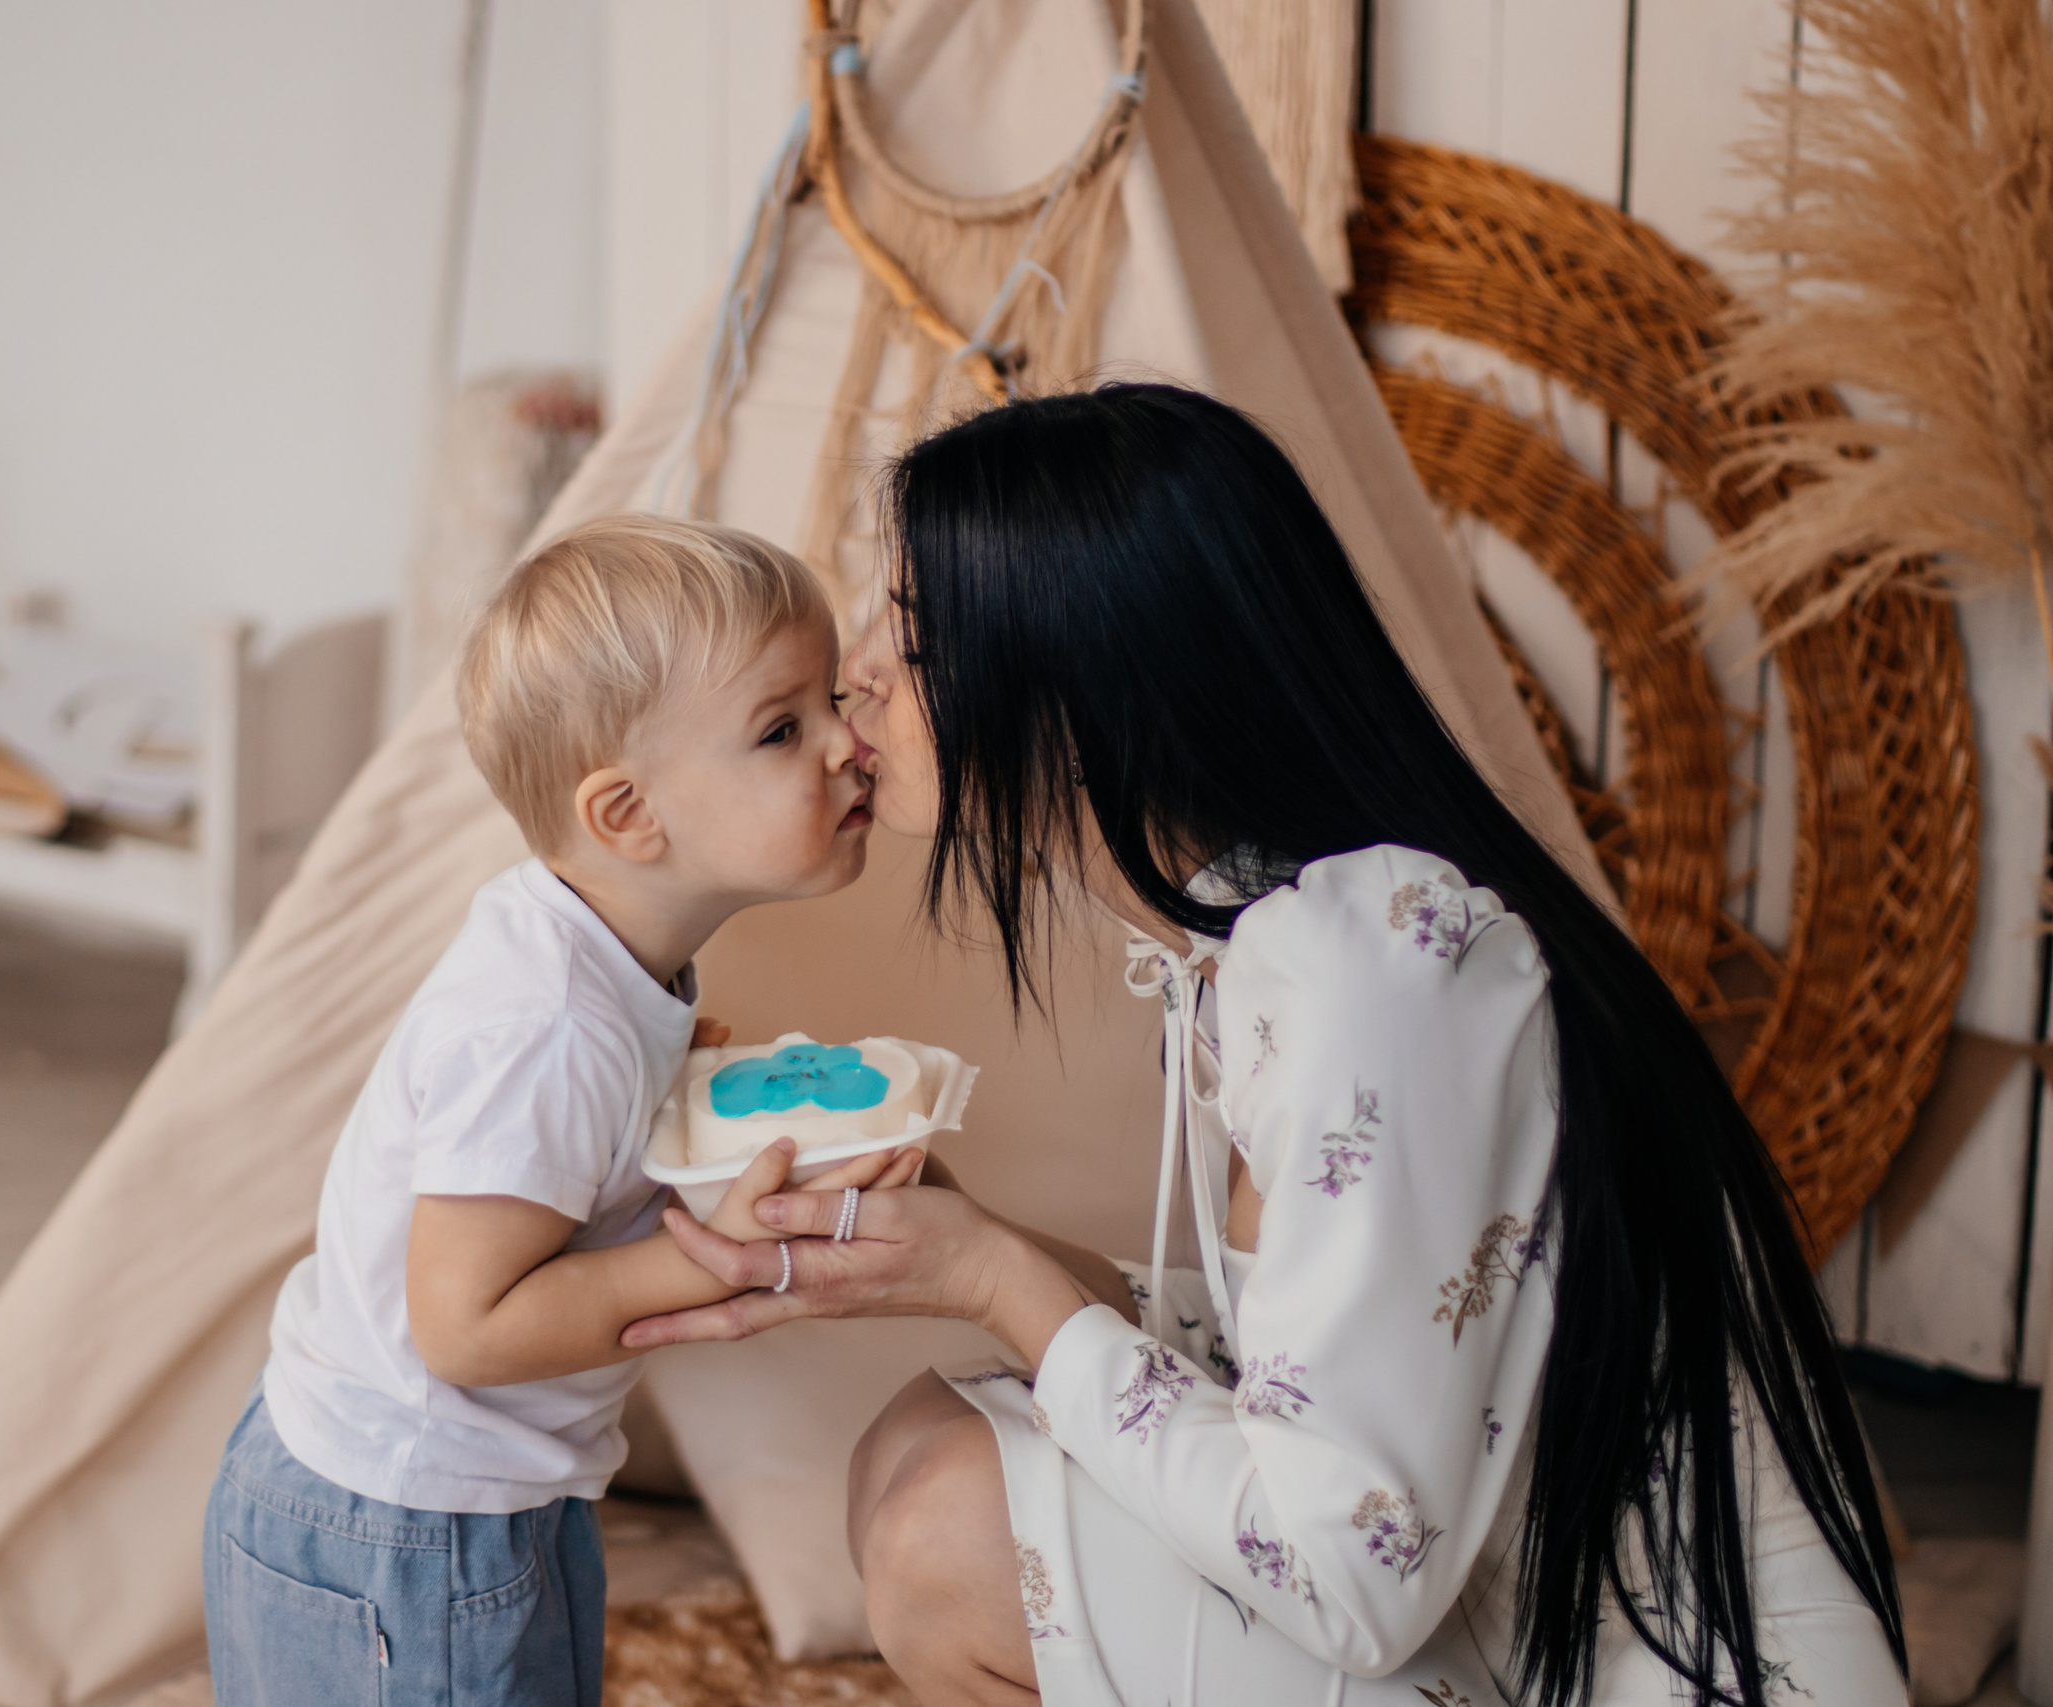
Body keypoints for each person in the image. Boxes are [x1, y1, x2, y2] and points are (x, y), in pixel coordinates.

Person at [624, 385, 1906, 1707]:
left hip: (1639, 1668)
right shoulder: (1266, 934)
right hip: (1495, 1614)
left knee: (948, 1518)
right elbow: (1289, 1376)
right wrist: (954, 1242)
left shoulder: (1378, 961)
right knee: (926, 1435)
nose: (864, 680)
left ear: (1088, 690)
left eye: (918, 634)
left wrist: (996, 1275)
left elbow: (1354, 1567)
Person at [202, 515, 920, 1707]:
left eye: (832, 699)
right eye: (782, 728)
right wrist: (718, 1259)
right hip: (408, 1532)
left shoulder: (604, 958)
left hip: (472, 1498)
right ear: (629, 817)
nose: (849, 744)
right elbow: (468, 1327)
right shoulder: (546, 1025)